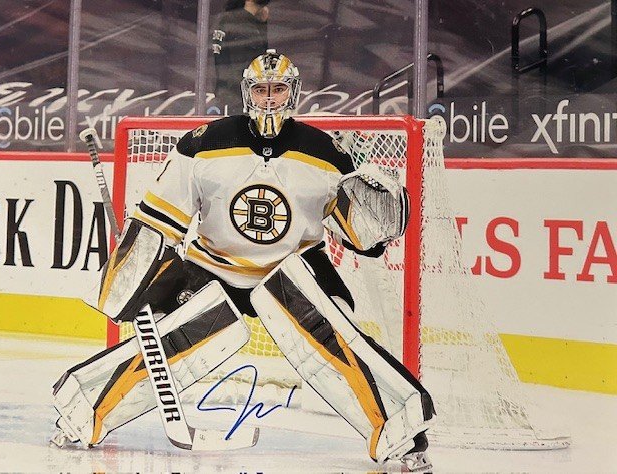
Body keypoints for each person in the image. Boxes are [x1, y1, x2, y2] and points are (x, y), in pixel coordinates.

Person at [51, 50, 435, 471]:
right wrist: (132, 276)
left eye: (278, 89)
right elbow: (159, 219)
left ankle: (400, 428)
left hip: (295, 269)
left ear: (293, 93)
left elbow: (357, 234)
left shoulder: (326, 152)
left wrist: (375, 230)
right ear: (246, 92)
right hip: (214, 269)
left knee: (335, 336)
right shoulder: (204, 142)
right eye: (261, 89)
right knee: (171, 341)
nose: (269, 98)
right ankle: (82, 411)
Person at [212, 0, 270, 114]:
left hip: (237, 97)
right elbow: (249, 64)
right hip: (238, 99)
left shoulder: (231, 19)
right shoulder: (236, 21)